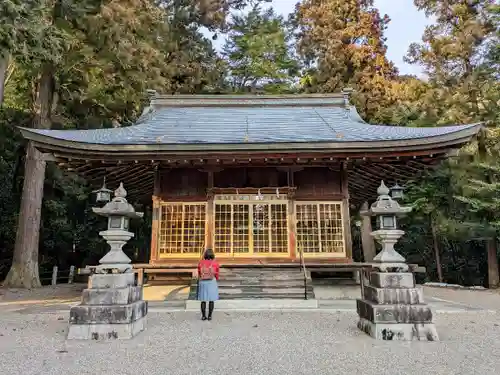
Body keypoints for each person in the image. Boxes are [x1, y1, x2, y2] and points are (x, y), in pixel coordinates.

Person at [197, 248, 220, 321]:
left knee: (203, 300)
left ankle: (203, 316)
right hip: (211, 281)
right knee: (211, 300)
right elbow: (217, 273)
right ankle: (209, 316)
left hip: (203, 281)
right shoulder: (215, 263)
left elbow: (199, 272)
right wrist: (216, 279)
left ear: (205, 255)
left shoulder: (201, 262)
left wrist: (201, 278)